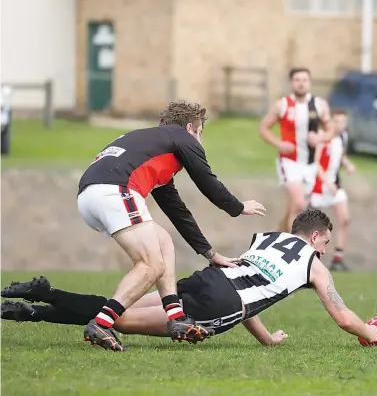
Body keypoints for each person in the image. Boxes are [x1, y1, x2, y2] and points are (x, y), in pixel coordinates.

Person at [1, 209, 377, 346]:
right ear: (314, 235)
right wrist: (374, 333)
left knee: (114, 309)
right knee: (124, 321)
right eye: (325, 243)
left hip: (207, 280)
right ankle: (42, 299)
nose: (325, 251)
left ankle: (38, 304)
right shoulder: (314, 265)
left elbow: (248, 283)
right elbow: (345, 318)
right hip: (221, 302)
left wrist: (265, 338)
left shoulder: (267, 238)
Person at [75, 100, 266, 351]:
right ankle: (102, 322)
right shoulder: (182, 137)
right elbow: (207, 181)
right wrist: (238, 207)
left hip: (90, 196)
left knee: (163, 241)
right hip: (115, 191)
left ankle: (176, 318)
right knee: (150, 265)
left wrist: (210, 253)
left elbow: (177, 210)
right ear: (191, 129)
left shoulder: (155, 147)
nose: (200, 141)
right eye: (200, 134)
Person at [259, 68, 334, 233]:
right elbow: (263, 129)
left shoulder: (320, 105)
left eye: (304, 80)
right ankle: (293, 248)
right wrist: (279, 144)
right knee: (299, 204)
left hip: (310, 163)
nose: (301, 83)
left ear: (310, 83)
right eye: (297, 80)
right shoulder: (282, 105)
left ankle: (279, 237)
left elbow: (331, 131)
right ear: (291, 83)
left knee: (294, 208)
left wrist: (320, 138)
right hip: (289, 161)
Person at [309, 109, 356, 271]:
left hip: (335, 185)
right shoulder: (323, 137)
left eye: (342, 122)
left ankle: (337, 259)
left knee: (344, 218)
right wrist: (326, 182)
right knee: (314, 225)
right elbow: (316, 163)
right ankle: (309, 258)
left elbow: (340, 154)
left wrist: (347, 164)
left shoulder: (343, 137)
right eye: (336, 122)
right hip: (320, 186)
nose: (339, 125)